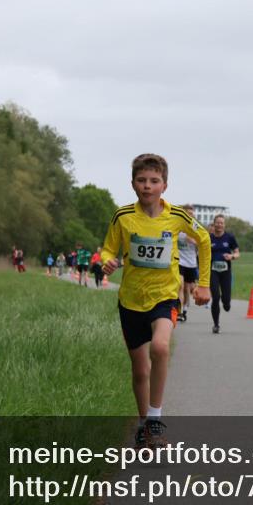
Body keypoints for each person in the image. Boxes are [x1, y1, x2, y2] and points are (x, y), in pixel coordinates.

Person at [102, 153, 212, 449]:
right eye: (142, 180)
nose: (147, 186)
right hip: (130, 301)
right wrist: (107, 261)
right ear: (133, 184)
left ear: (165, 185)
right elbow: (108, 249)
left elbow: (204, 239)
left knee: (161, 347)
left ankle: (155, 419)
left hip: (165, 296)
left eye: (154, 181)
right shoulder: (123, 216)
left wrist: (203, 284)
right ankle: (144, 427)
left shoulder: (177, 216)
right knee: (140, 371)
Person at [208, 215, 239, 334]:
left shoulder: (229, 237)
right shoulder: (209, 238)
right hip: (213, 271)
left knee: (226, 303)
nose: (219, 225)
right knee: (215, 297)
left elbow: (237, 253)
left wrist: (232, 256)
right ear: (214, 224)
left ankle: (226, 301)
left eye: (221, 223)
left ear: (224, 225)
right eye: (217, 223)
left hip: (226, 272)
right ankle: (216, 325)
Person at [176, 204, 199, 322]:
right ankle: (179, 312)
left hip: (191, 263)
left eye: (191, 214)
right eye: (188, 214)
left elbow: (203, 244)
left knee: (186, 289)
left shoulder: (196, 229)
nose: (190, 216)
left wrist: (193, 241)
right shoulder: (176, 227)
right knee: (180, 285)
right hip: (179, 261)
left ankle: (184, 309)